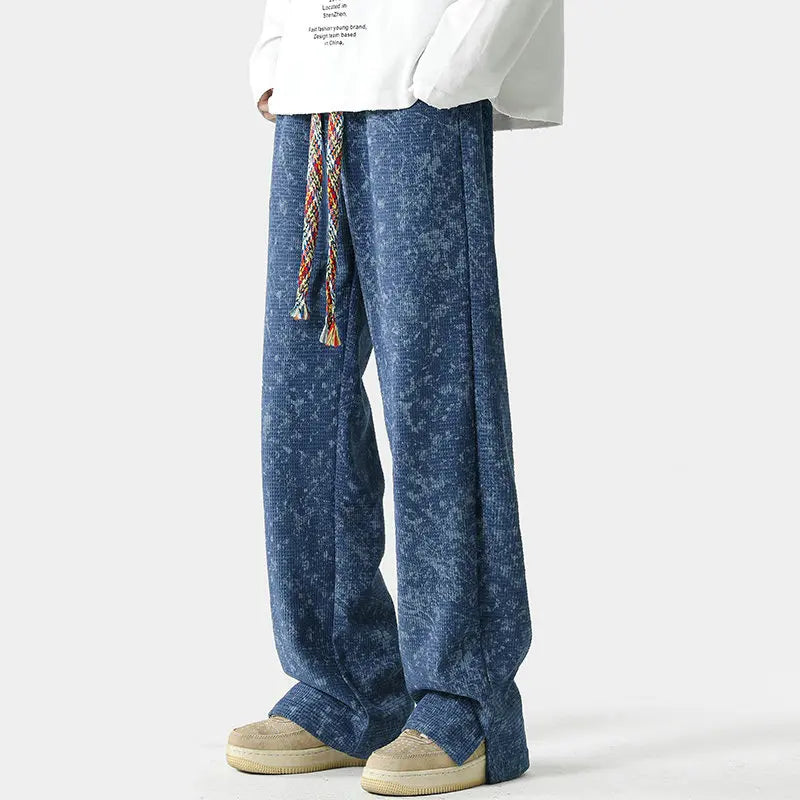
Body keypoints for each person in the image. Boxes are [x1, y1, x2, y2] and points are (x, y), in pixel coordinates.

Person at [226, 1, 564, 795]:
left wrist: (456, 64)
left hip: (421, 82)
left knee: (437, 395)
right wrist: (277, 51)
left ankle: (464, 697)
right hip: (314, 86)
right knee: (302, 403)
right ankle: (347, 683)